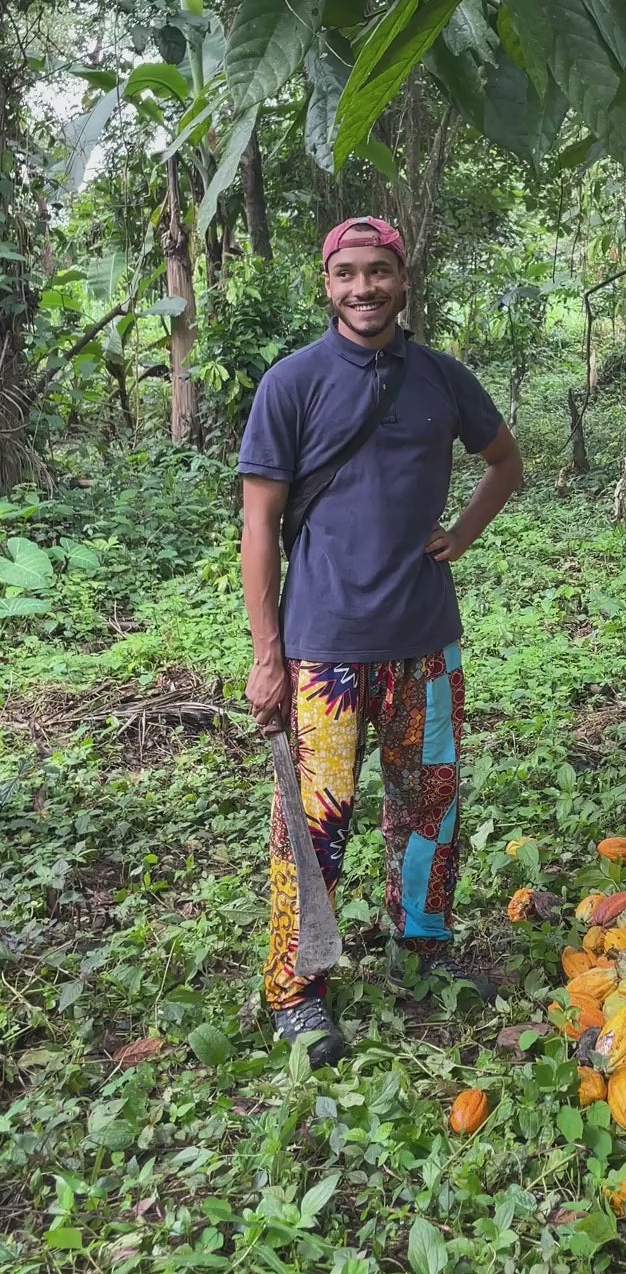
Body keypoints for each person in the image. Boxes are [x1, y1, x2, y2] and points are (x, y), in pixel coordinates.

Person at [238, 215, 522, 1068]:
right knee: (315, 822)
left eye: (380, 272)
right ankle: (298, 990)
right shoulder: (291, 384)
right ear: (326, 284)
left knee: (429, 804)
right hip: (322, 649)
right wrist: (265, 653)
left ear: (405, 278)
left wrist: (461, 538)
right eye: (347, 274)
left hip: (427, 640)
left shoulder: (441, 378)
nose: (364, 288)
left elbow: (505, 463)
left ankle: (423, 947)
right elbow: (258, 525)